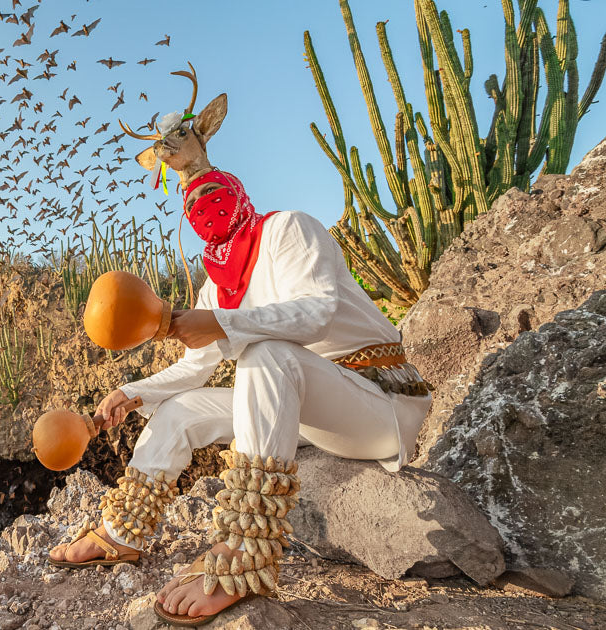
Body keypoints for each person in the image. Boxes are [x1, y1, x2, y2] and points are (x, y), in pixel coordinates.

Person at [47, 70, 434, 626]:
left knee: (266, 354)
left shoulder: (290, 230)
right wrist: (131, 391)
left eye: (210, 191)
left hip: (378, 405)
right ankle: (121, 533)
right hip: (307, 407)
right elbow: (197, 367)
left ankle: (244, 552)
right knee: (180, 411)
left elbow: (316, 312)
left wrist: (223, 323)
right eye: (192, 201)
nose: (202, 205)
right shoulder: (217, 285)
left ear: (235, 189)